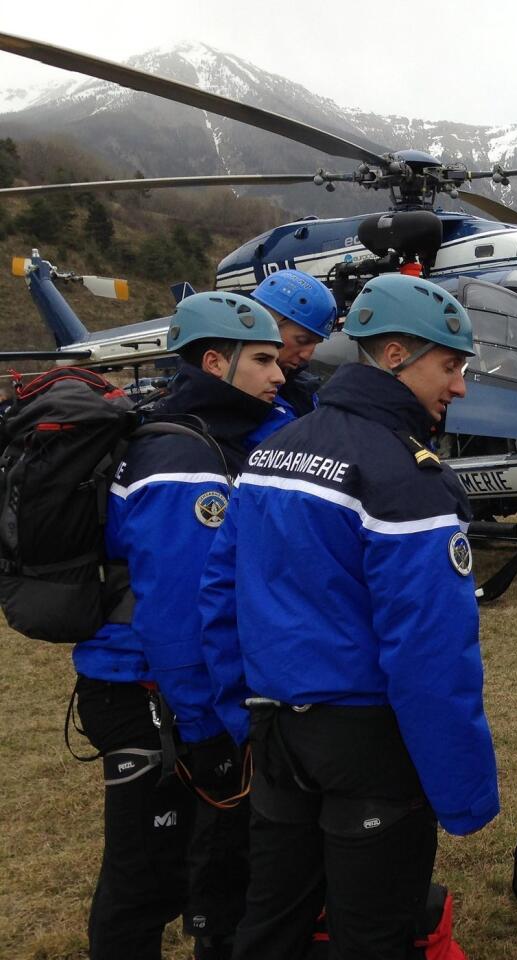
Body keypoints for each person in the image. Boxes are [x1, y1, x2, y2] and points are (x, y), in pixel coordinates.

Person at [199, 272, 499, 959]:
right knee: (373, 935)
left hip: (276, 731)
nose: (460, 387)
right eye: (450, 366)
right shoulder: (404, 477)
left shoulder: (272, 451)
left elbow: (220, 594)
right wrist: (465, 795)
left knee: (272, 922)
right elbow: (429, 656)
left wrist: (237, 716)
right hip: (364, 743)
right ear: (395, 355)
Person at [74, 291, 286, 960]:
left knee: (206, 863)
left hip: (163, 691)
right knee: (145, 877)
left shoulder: (208, 439)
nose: (279, 376)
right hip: (150, 695)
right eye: (263, 360)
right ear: (215, 362)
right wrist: (207, 731)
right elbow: (180, 618)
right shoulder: (184, 462)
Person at [249, 268, 338, 417]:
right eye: (302, 340)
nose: (307, 356)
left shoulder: (305, 393)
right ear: (265, 324)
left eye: (316, 344)